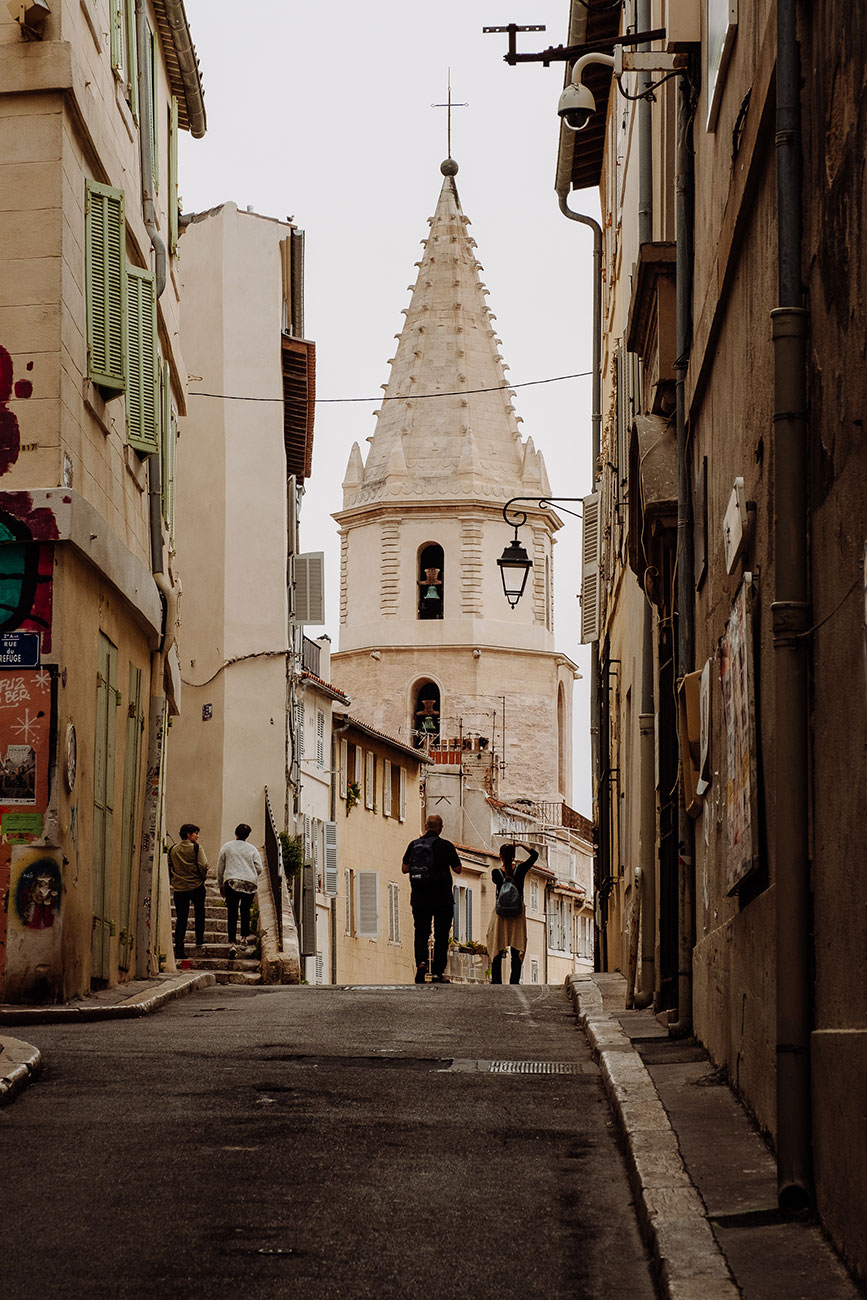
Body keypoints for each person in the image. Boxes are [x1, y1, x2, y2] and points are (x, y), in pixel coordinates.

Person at [401, 813, 462, 983]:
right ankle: (437, 972)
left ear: (427, 826)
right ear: (440, 827)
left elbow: (405, 868)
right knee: (441, 935)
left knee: (421, 932)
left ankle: (421, 964)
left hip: (420, 897)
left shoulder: (414, 845)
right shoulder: (446, 846)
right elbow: (458, 869)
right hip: (442, 898)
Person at [486, 840, 538, 984]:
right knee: (517, 946)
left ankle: (496, 980)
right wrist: (521, 845)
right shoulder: (520, 870)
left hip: (500, 913)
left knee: (496, 943)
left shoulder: (496, 873)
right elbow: (535, 855)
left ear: (500, 856)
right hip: (517, 913)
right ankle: (514, 980)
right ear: (514, 856)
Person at [217, 823, 264, 957]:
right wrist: (250, 875)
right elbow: (259, 868)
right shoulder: (252, 849)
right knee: (245, 911)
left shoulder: (227, 847)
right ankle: (244, 938)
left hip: (232, 881)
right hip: (249, 883)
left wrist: (221, 885)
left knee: (232, 912)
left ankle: (232, 943)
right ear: (247, 836)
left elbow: (220, 868)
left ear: (235, 833)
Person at [169, 823, 209, 962]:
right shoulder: (197, 848)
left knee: (181, 919)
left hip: (180, 888)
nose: (197, 836)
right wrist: (202, 877)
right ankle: (199, 939)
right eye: (195, 833)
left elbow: (170, 866)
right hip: (196, 886)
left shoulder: (173, 849)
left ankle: (179, 947)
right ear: (188, 834)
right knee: (199, 913)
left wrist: (175, 880)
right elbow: (204, 865)